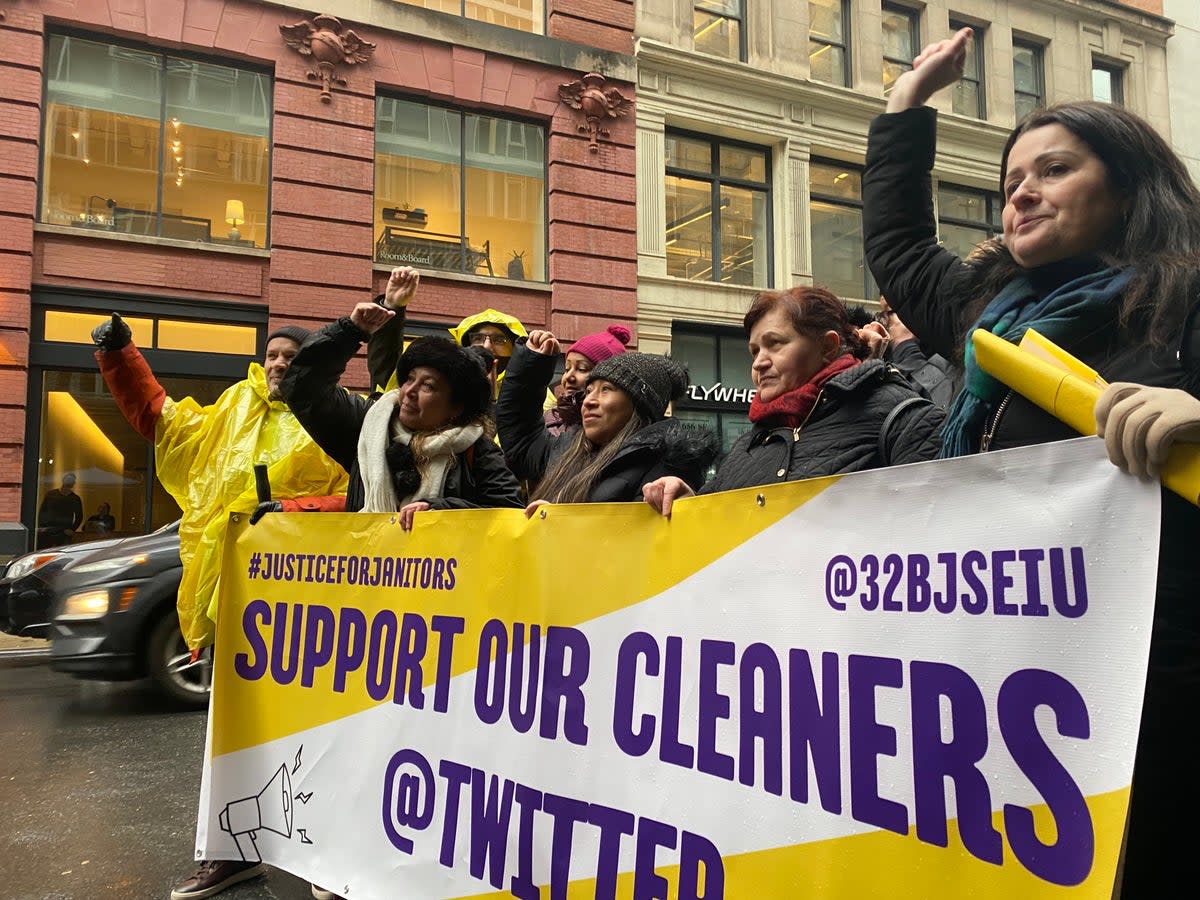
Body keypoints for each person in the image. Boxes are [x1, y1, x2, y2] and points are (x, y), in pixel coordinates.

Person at [863, 27, 1200, 893]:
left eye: (1053, 170)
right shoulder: (984, 316)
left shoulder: (1186, 295)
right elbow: (899, 244)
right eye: (1012, 182)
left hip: (1157, 686)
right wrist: (905, 104)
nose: (1022, 196)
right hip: (1007, 679)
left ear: (1127, 185)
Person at [91, 316, 348, 900]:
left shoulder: (333, 414)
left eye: (292, 356)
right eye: (273, 354)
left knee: (321, 730)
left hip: (311, 606)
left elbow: (363, 493)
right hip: (234, 599)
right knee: (235, 733)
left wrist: (295, 512)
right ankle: (232, 854)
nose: (280, 362)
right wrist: (120, 355)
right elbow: (161, 419)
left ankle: (330, 854)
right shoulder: (231, 410)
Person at [643, 286, 945, 515]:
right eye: (754, 351)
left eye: (775, 344)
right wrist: (688, 504)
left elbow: (938, 525)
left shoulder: (899, 415)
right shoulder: (750, 444)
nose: (759, 363)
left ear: (827, 346)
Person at [277, 302, 522, 529]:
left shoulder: (476, 451)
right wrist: (350, 332)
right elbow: (301, 388)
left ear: (455, 408)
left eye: (428, 386)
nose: (410, 392)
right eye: (410, 379)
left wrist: (439, 510)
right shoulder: (366, 425)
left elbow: (510, 514)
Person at [497, 331, 719, 512]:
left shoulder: (666, 468)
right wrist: (531, 365)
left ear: (639, 405)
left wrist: (563, 528)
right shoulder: (566, 447)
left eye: (606, 390)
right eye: (589, 391)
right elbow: (520, 437)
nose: (589, 401)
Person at [543, 323, 632, 435]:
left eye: (582, 369)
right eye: (567, 369)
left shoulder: (614, 433)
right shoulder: (549, 420)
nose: (569, 377)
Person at [37, 472, 83, 547]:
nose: (70, 481)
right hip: (49, 529)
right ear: (63, 480)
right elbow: (43, 511)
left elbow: (79, 516)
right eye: (68, 479)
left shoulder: (75, 498)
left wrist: (72, 529)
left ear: (73, 483)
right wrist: (41, 526)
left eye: (71, 480)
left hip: (65, 531)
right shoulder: (51, 494)